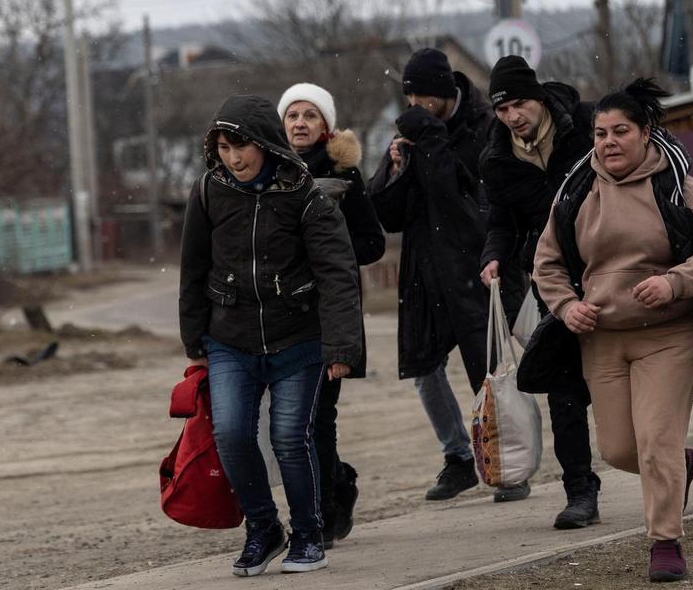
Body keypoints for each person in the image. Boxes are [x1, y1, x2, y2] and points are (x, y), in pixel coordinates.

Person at [531, 78, 693, 583]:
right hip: (601, 338)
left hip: (670, 334)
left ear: (645, 132)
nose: (608, 142)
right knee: (620, 451)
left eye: (620, 131)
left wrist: (674, 283)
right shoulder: (576, 189)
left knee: (653, 442)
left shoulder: (676, 184)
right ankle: (679, 464)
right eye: (600, 132)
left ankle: (665, 542)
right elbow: (547, 264)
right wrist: (566, 307)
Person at [179, 94, 364, 577]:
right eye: (223, 147)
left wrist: (342, 347)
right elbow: (193, 269)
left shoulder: (305, 194)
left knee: (289, 437)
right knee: (233, 435)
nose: (233, 158)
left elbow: (337, 271)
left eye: (241, 146)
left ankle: (308, 534)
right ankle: (264, 529)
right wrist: (194, 341)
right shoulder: (208, 192)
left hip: (297, 338)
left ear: (264, 144)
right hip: (229, 339)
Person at [368, 47, 501, 502]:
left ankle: (507, 463)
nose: (418, 106)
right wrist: (394, 168)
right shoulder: (412, 134)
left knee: (487, 370)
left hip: (473, 265)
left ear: (445, 93)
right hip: (423, 267)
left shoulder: (482, 125)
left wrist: (431, 142)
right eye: (411, 99)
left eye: (425, 97)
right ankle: (458, 458)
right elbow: (387, 214)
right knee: (424, 366)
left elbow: (464, 204)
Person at [477, 55, 603, 522]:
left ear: (540, 98)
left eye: (520, 104)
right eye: (503, 109)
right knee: (564, 390)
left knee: (625, 385)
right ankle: (580, 492)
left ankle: (664, 465)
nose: (514, 116)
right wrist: (493, 254)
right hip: (552, 281)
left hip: (610, 271)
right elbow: (502, 221)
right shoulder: (497, 159)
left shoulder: (587, 127)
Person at [277, 82, 385, 549]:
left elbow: (372, 243)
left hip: (330, 312)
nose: (300, 123)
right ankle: (337, 482)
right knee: (288, 421)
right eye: (293, 116)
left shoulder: (345, 174)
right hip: (280, 315)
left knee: (318, 418)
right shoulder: (270, 172)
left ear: (326, 126)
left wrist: (327, 251)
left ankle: (321, 511)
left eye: (310, 116)